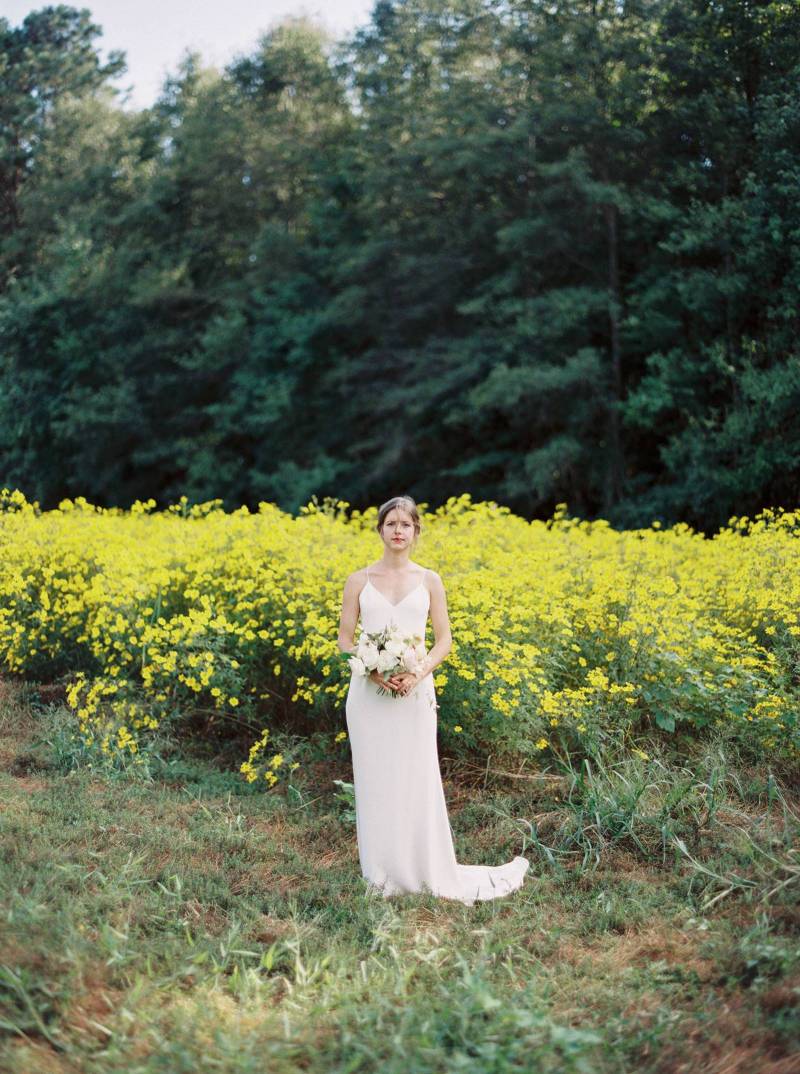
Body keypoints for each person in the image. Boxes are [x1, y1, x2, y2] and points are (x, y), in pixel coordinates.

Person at [337, 494, 530, 905]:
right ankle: (381, 872)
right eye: (390, 524)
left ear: (416, 531)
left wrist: (417, 672)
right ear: (380, 530)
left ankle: (422, 867)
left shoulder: (429, 580)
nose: (398, 532)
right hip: (368, 697)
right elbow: (344, 639)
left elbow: (444, 641)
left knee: (415, 777)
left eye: (405, 525)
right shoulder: (358, 580)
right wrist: (372, 668)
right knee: (375, 779)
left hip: (415, 693)